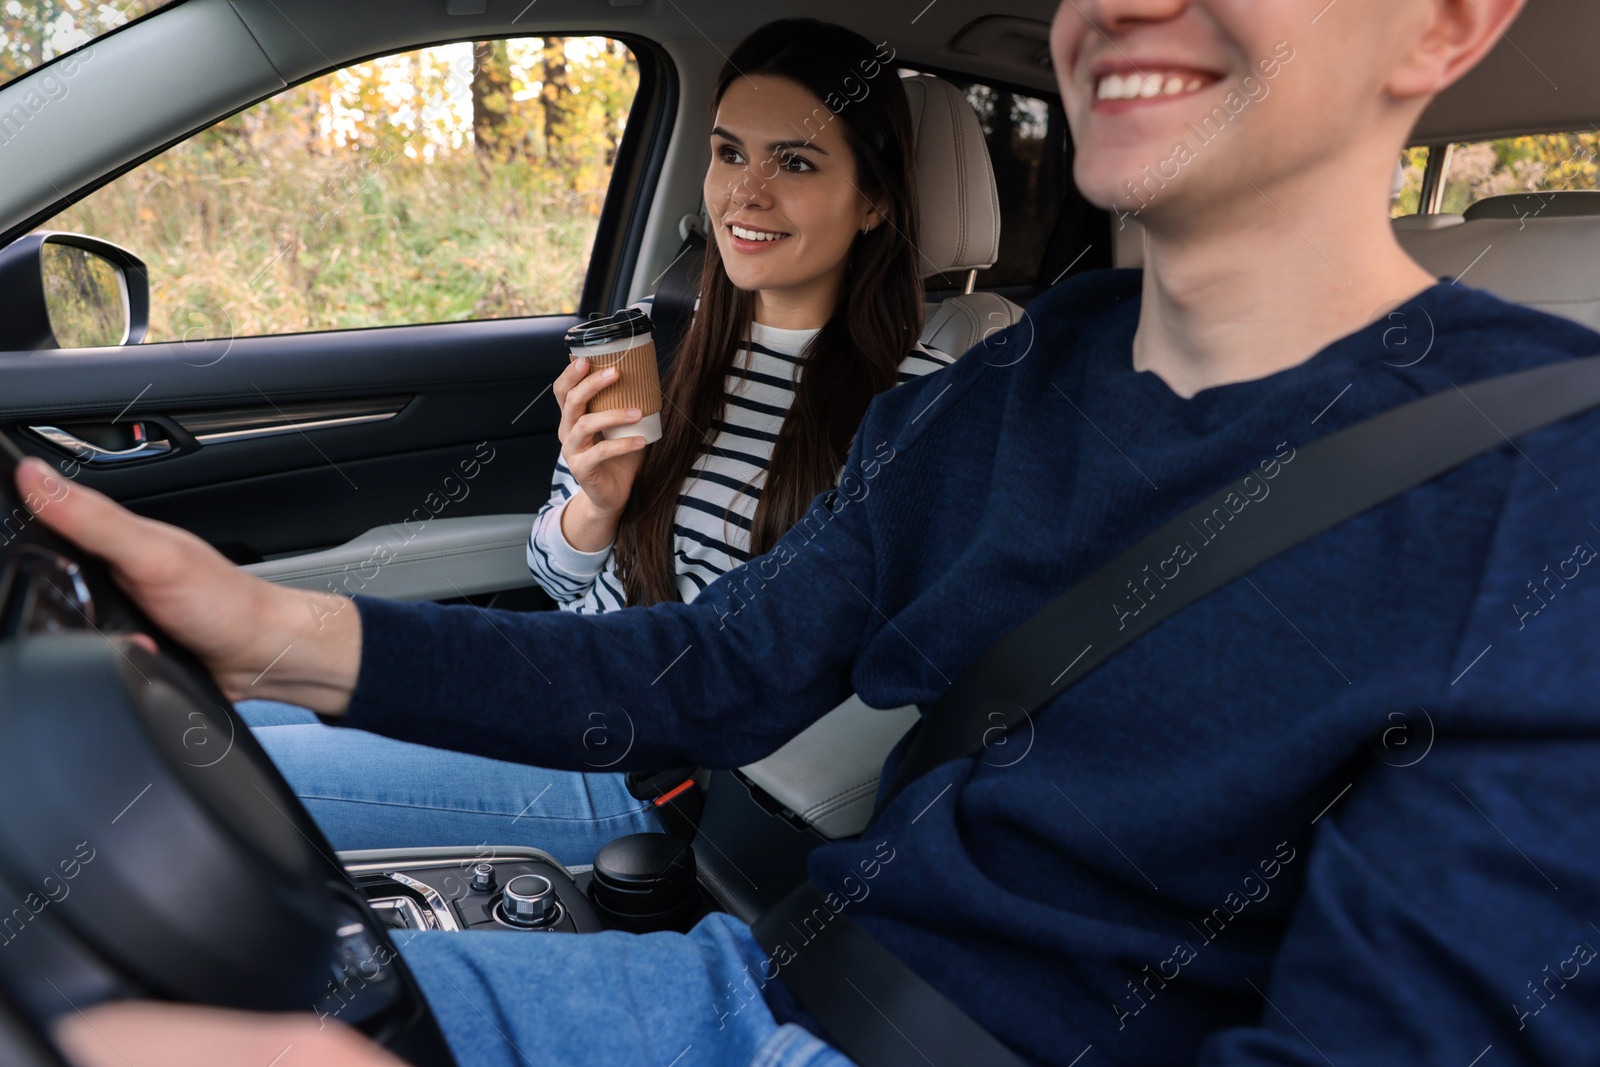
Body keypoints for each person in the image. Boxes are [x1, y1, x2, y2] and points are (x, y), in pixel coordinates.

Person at [39, 0, 1600, 1065]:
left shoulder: (1552, 490)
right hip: (761, 974)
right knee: (87, 987)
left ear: (1450, 21)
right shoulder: (1024, 374)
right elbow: (718, 667)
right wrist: (271, 628)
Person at [233, 18, 953, 867]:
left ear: (873, 200)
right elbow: (555, 574)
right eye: (729, 154)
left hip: (653, 767)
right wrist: (595, 505)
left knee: (216, 777)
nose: (744, 194)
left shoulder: (925, 398)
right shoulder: (661, 334)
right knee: (216, 714)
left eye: (793, 163)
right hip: (558, 675)